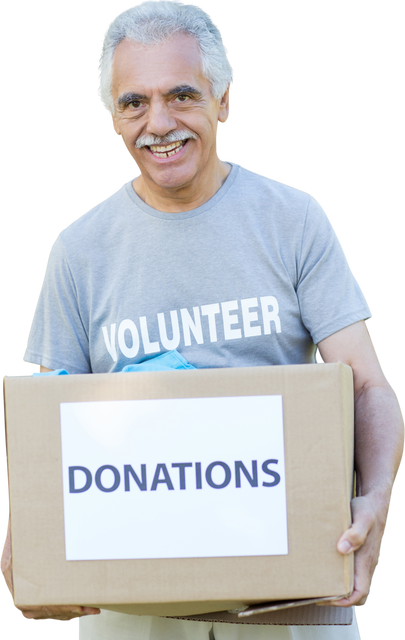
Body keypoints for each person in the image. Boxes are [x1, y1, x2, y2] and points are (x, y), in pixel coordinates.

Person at [1, 1, 403, 638]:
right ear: (112, 118)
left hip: (292, 594)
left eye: (182, 95)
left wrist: (373, 504)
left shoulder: (293, 220)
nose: (158, 123)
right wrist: (25, 542)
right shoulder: (78, 249)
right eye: (133, 103)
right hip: (133, 608)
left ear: (224, 102)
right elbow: (49, 432)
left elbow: (367, 384)